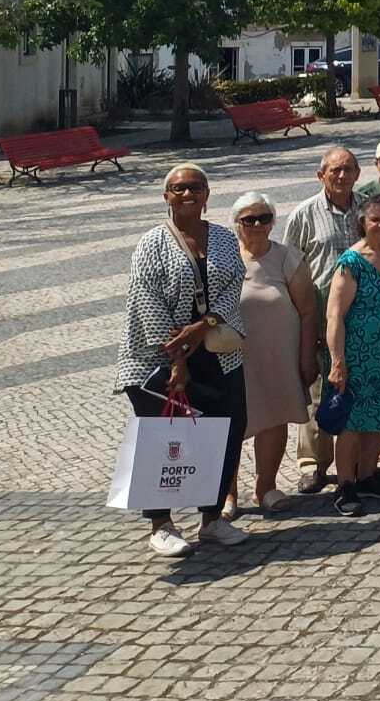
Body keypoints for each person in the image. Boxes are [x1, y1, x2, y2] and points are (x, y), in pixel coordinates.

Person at [114, 164, 250, 556]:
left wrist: (203, 325)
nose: (187, 194)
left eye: (195, 187)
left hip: (216, 351)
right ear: (166, 196)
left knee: (227, 430)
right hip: (159, 358)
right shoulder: (152, 243)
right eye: (179, 188)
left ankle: (212, 519)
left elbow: (233, 286)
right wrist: (177, 359)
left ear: (207, 194)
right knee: (163, 437)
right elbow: (146, 302)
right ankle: (160, 524)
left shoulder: (224, 238)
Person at [225, 191, 317, 517]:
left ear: (273, 222)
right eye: (248, 219)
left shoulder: (287, 258)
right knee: (230, 425)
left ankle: (265, 486)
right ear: (236, 224)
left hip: (278, 355)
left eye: (263, 218)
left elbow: (308, 311)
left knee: (274, 419)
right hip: (232, 358)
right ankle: (227, 493)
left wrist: (307, 356)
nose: (256, 225)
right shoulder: (223, 258)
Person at [283, 145, 362, 494]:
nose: (342, 176)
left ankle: (355, 458)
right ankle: (313, 463)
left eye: (348, 169)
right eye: (335, 170)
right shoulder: (303, 214)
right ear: (321, 175)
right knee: (317, 390)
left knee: (357, 386)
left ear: (358, 173)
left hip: (361, 315)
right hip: (318, 313)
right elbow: (291, 268)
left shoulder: (369, 209)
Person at [324, 197, 380, 516]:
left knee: (378, 417)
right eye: (375, 219)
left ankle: (368, 475)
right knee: (351, 421)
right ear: (362, 222)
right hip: (355, 353)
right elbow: (335, 315)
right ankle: (345, 484)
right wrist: (337, 361)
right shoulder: (351, 261)